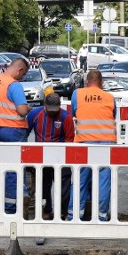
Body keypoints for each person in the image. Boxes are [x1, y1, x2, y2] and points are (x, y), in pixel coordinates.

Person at [0, 57, 33, 214]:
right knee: (15, 168)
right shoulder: (14, 85)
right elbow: (22, 110)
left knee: (4, 168)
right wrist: (30, 108)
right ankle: (13, 207)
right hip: (14, 131)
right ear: (19, 70)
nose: (22, 78)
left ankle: (15, 200)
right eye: (23, 75)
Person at [69, 69, 116, 221]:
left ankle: (75, 215)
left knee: (80, 180)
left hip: (84, 142)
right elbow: (113, 115)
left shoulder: (78, 94)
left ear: (87, 82)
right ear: (101, 83)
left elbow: (75, 113)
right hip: (106, 143)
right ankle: (101, 216)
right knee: (103, 181)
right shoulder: (110, 97)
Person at [27, 92, 75, 220]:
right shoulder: (35, 114)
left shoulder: (66, 117)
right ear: (44, 105)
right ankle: (46, 211)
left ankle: (62, 212)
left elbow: (69, 140)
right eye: (50, 110)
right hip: (42, 157)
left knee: (64, 187)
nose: (52, 113)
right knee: (44, 186)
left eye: (55, 110)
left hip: (61, 157)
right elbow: (25, 132)